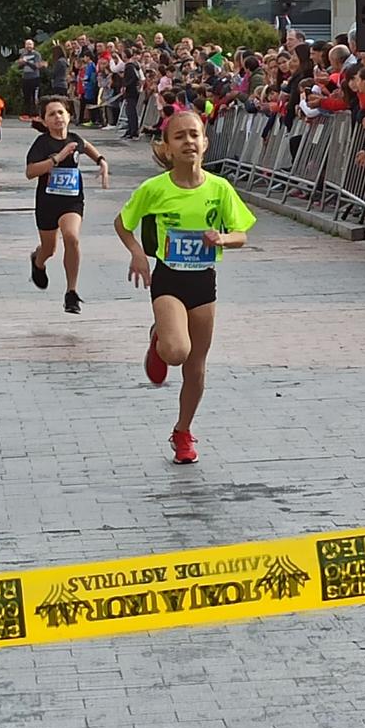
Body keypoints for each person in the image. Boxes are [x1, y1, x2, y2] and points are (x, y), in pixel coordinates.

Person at [117, 108, 256, 464]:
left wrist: (224, 239)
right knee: (177, 352)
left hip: (203, 282)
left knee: (196, 367)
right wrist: (137, 254)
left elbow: (243, 233)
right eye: (179, 136)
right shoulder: (155, 189)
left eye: (194, 135)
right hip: (169, 279)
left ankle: (182, 432)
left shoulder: (220, 188)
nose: (188, 142)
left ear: (205, 143)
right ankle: (160, 338)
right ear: (166, 148)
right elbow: (123, 223)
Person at [25, 95, 110, 313]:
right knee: (49, 249)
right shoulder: (42, 143)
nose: (57, 117)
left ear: (69, 116)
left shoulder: (75, 138)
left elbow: (86, 146)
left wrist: (101, 161)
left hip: (72, 200)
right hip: (47, 202)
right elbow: (30, 172)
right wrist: (56, 159)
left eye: (61, 112)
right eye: (51, 114)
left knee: (72, 237)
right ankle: (38, 261)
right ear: (44, 121)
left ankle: (71, 292)